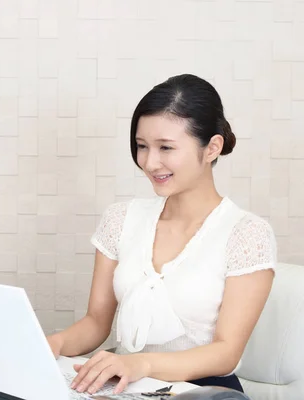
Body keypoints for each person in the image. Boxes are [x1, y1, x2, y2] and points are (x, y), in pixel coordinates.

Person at [46, 74, 276, 396]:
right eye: (142, 147)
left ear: (211, 148)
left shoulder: (247, 235)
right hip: (128, 387)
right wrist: (51, 344)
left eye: (166, 147)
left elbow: (226, 353)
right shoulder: (121, 220)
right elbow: (96, 322)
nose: (150, 163)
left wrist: (142, 364)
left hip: (204, 393)